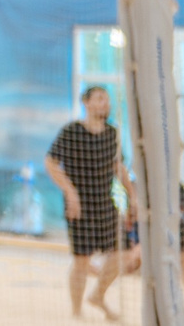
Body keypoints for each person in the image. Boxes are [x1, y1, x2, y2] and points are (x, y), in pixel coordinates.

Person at [43, 85, 134, 317]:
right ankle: (76, 312)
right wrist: (70, 193)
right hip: (79, 206)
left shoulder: (112, 133)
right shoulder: (71, 131)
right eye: (100, 99)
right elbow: (51, 163)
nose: (106, 103)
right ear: (86, 102)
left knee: (122, 253)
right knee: (82, 261)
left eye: (108, 99)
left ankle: (97, 295)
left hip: (105, 203)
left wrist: (133, 198)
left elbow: (119, 168)